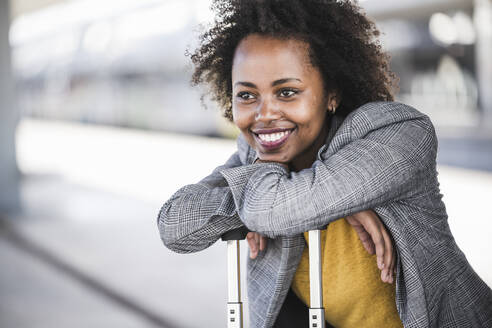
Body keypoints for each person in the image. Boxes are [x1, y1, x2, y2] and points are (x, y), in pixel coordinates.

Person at [157, 1, 492, 327]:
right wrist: (327, 200)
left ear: (331, 92)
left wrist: (303, 198)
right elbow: (175, 227)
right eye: (247, 95)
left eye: (287, 92)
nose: (264, 115)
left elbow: (269, 210)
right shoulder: (255, 156)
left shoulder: (396, 133)